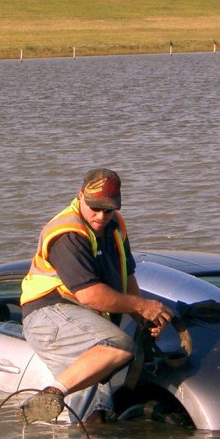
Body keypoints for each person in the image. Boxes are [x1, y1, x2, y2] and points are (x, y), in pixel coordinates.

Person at [19, 168, 173, 425]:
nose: (101, 216)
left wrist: (142, 318)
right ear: (80, 196)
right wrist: (142, 305)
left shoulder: (116, 225)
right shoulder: (67, 232)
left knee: (94, 418)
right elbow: (90, 295)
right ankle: (51, 394)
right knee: (120, 345)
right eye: (95, 208)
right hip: (48, 313)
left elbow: (127, 277)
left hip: (82, 319)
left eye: (108, 210)